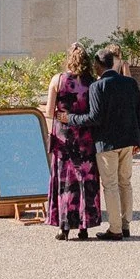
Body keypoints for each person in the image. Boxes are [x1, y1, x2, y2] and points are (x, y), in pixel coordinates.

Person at [67, 48, 140, 239]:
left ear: (97, 65)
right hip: (128, 140)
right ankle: (126, 225)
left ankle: (115, 228)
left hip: (106, 143)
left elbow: (94, 118)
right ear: (113, 63)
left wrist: (71, 118)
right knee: (125, 183)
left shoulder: (97, 86)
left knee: (110, 185)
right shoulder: (130, 82)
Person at [42, 44, 102, 239]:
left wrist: (62, 115)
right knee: (85, 179)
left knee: (65, 180)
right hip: (85, 136)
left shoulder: (57, 80)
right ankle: (84, 226)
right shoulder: (92, 82)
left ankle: (64, 227)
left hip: (63, 136)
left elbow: (50, 112)